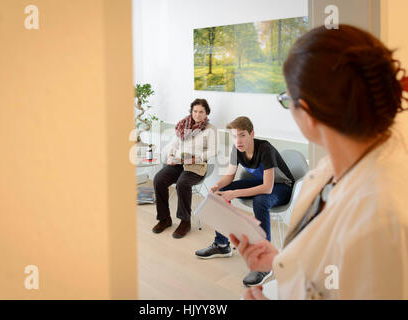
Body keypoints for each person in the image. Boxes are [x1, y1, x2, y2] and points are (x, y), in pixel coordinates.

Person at [231, 24, 408, 299]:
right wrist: (282, 261)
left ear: (309, 113)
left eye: (287, 98)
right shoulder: (336, 168)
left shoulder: (381, 218)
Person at [195, 116, 294, 287]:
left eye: (242, 135)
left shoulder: (265, 150)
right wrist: (218, 186)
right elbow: (229, 175)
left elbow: (268, 188)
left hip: (282, 187)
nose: (238, 140)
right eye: (234, 136)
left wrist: (235, 193)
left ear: (251, 134)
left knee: (260, 201)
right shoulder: (237, 149)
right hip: (263, 184)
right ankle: (221, 244)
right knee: (221, 192)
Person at [152, 98, 216, 239]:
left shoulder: (210, 129)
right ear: (191, 111)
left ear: (206, 113)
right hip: (179, 162)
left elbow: (213, 151)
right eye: (195, 111)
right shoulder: (184, 125)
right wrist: (170, 157)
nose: (197, 115)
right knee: (159, 179)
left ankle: (185, 222)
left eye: (201, 112)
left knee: (182, 183)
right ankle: (164, 219)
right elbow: (174, 144)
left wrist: (195, 158)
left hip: (196, 165)